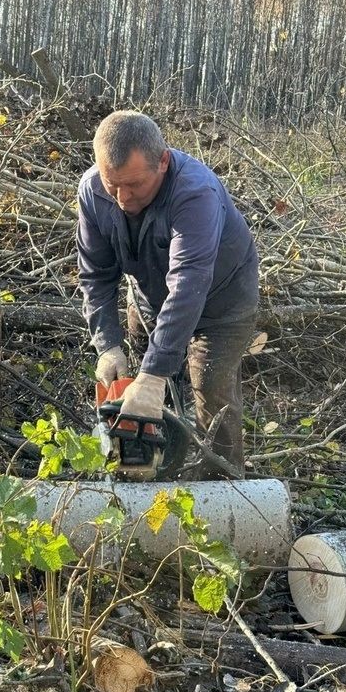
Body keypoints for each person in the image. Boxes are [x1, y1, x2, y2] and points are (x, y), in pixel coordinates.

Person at [76, 111, 259, 478]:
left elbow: (188, 283)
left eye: (134, 185)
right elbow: (96, 275)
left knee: (210, 391)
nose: (123, 197)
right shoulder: (93, 189)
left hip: (221, 304)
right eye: (114, 186)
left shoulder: (195, 193)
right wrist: (108, 344)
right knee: (135, 392)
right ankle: (145, 474)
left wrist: (154, 375)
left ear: (163, 161)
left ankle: (224, 489)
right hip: (150, 297)